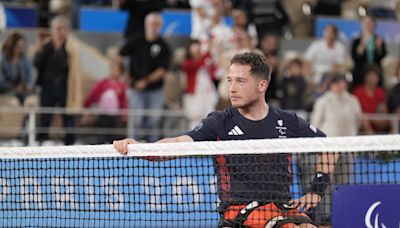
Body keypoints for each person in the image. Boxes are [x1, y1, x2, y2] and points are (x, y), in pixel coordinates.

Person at [114, 52, 338, 228]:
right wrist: (140, 147)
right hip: (239, 212)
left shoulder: (288, 121)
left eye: (240, 81)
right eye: (230, 80)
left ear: (262, 86)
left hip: (282, 207)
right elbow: (178, 143)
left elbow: (330, 148)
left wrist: (317, 191)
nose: (231, 88)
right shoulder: (219, 122)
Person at [298, 75, 362, 225]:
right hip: (328, 149)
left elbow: (358, 120)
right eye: (336, 83)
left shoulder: (353, 101)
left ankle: (342, 214)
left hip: (348, 148)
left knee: (344, 183)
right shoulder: (323, 101)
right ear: (331, 84)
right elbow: (315, 123)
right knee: (325, 183)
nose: (339, 85)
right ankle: (326, 217)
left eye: (342, 82)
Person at [119, 12, 171, 142]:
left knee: (154, 120)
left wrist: (146, 81)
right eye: (151, 23)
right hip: (135, 88)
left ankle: (152, 147)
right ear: (146, 24)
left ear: (160, 26)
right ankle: (132, 146)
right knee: (136, 119)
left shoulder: (164, 46)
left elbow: (163, 70)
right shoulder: (135, 40)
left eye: (156, 24)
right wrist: (124, 75)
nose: (153, 27)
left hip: (155, 90)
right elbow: (119, 55)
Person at [34, 16, 82, 145]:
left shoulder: (71, 47)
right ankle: (42, 139)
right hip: (48, 86)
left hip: (65, 86)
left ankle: (69, 141)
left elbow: (70, 66)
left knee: (68, 115)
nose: (59, 31)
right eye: (57, 28)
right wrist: (41, 49)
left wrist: (60, 47)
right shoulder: (47, 45)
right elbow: (38, 63)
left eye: (62, 28)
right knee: (45, 114)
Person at [82, 57, 128, 144]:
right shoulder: (103, 82)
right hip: (103, 115)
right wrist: (86, 106)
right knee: (101, 136)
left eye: (117, 69)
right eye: (113, 69)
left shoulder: (122, 85)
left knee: (113, 137)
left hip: (115, 116)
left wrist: (124, 115)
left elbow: (124, 101)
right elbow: (92, 95)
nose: (114, 71)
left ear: (120, 71)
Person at [351, 14, 387, 89]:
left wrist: (379, 47)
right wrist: (363, 43)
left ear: (374, 25)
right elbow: (354, 56)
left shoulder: (378, 39)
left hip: (375, 69)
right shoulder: (356, 40)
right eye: (366, 23)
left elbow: (382, 55)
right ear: (362, 25)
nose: (368, 26)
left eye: (370, 23)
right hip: (360, 70)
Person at [0, 32, 34, 105]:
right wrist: (14, 87)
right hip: (6, 89)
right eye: (18, 46)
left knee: (30, 100)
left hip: (23, 90)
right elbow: (1, 80)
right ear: (11, 46)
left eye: (21, 46)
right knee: (15, 101)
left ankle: (28, 115)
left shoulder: (26, 59)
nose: (20, 49)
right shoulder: (2, 59)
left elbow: (30, 78)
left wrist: (27, 86)